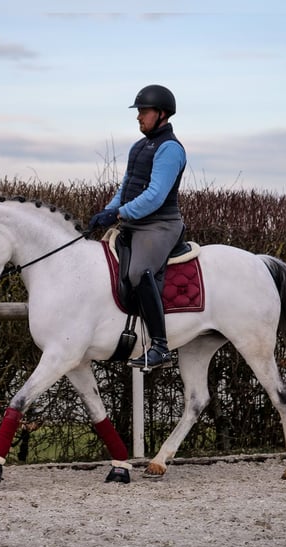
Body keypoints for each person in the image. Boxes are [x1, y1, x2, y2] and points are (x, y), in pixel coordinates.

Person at [89, 84, 187, 372]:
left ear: (162, 114)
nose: (139, 117)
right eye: (139, 112)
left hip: (160, 225)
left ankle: (160, 346)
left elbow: (156, 195)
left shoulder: (170, 149)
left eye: (143, 111)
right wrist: (108, 210)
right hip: (134, 221)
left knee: (137, 272)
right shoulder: (139, 146)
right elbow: (127, 187)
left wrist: (119, 214)